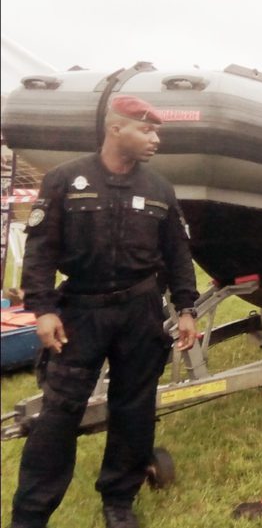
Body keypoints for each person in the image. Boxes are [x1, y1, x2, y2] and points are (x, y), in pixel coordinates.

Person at [10, 95, 199, 528]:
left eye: (156, 132)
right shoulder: (64, 180)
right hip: (80, 311)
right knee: (59, 413)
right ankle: (31, 513)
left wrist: (186, 308)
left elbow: (178, 255)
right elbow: (40, 252)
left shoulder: (159, 189)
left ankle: (119, 499)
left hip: (140, 311)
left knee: (134, 409)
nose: (155, 140)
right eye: (146, 131)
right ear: (116, 129)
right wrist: (42, 310)